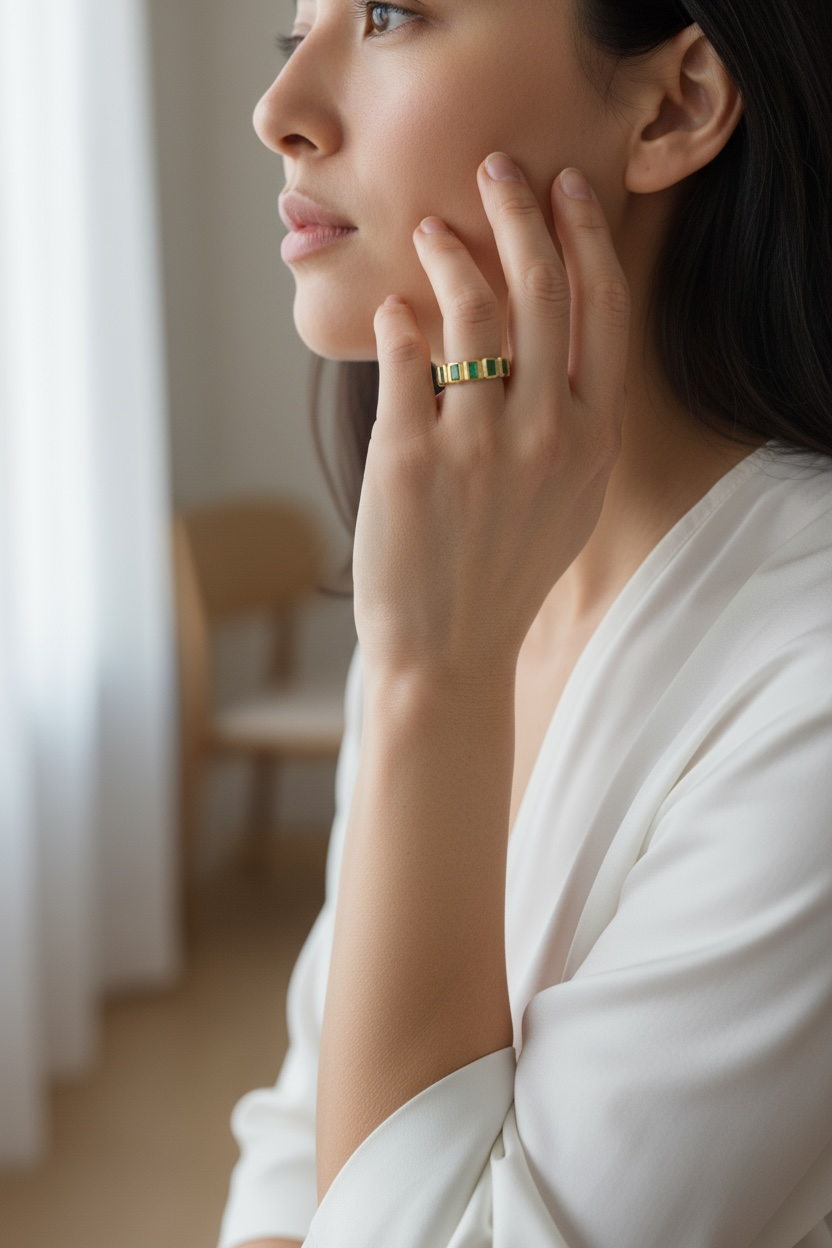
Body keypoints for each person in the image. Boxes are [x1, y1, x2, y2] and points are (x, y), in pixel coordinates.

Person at [218, 0, 832, 1244]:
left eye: (387, 14)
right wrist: (423, 669)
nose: (279, 110)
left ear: (673, 104)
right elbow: (301, 1135)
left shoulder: (804, 688)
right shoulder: (462, 583)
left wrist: (431, 681)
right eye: (297, 24)